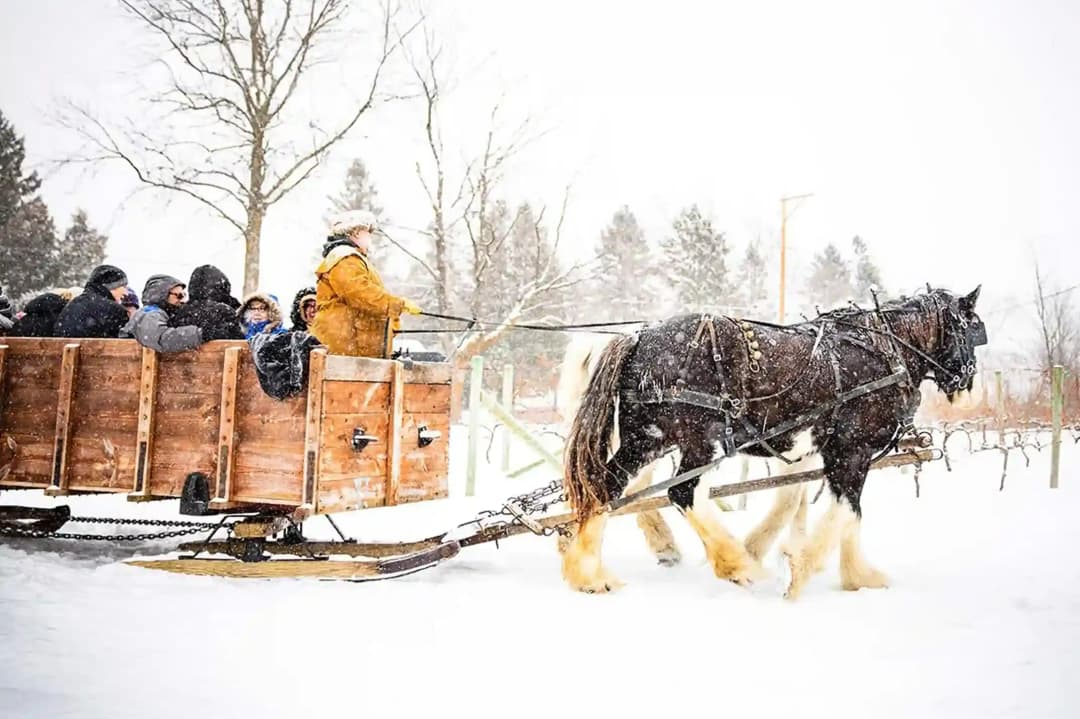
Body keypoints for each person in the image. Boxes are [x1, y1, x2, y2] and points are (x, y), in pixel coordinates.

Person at [309, 210, 421, 358]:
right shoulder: (345, 257)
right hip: (346, 346)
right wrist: (397, 304)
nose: (370, 238)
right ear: (356, 232)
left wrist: (392, 323)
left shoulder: (350, 258)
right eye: (368, 233)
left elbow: (367, 298)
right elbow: (360, 294)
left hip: (352, 345)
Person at [120, 274, 204, 353]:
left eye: (183, 295)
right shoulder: (149, 314)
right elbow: (159, 339)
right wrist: (198, 334)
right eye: (179, 296)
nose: (182, 301)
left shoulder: (165, 314)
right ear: (162, 295)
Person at [53, 265, 131, 338]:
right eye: (124, 286)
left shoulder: (71, 305)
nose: (126, 293)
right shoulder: (115, 311)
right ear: (112, 286)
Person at [169, 264, 244, 340]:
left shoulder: (179, 313)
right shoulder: (226, 311)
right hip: (223, 351)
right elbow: (241, 341)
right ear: (222, 287)